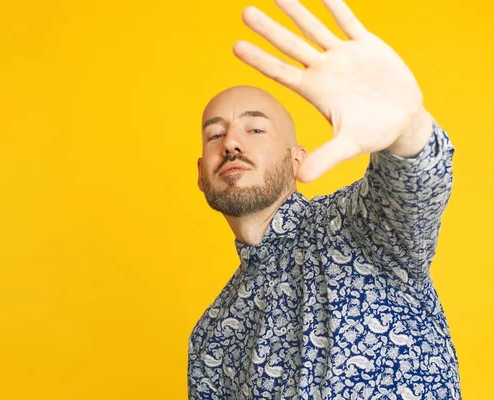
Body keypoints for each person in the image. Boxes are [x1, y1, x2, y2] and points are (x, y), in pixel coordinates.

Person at [188, 0, 461, 399]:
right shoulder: (210, 337)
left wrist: (408, 126)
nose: (231, 142)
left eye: (256, 130)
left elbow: (415, 188)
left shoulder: (359, 228)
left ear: (295, 158)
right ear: (201, 173)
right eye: (215, 134)